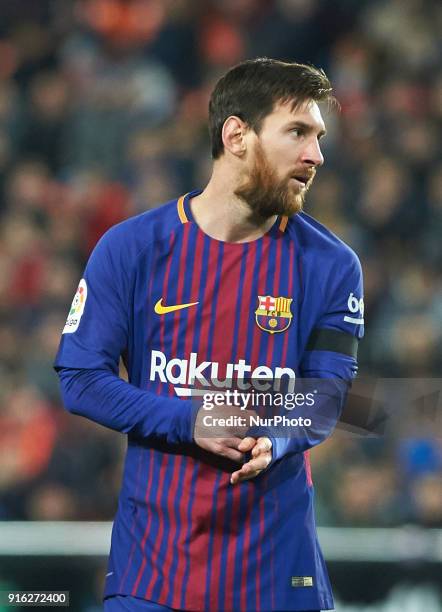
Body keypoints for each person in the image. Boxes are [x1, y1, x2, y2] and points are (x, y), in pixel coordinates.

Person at [55, 58, 364, 612]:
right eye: (298, 132)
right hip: (154, 577)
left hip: (278, 578)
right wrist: (188, 422)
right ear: (236, 134)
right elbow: (79, 377)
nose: (316, 155)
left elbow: (329, 392)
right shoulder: (131, 249)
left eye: (318, 138)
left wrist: (279, 436)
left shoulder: (333, 265)